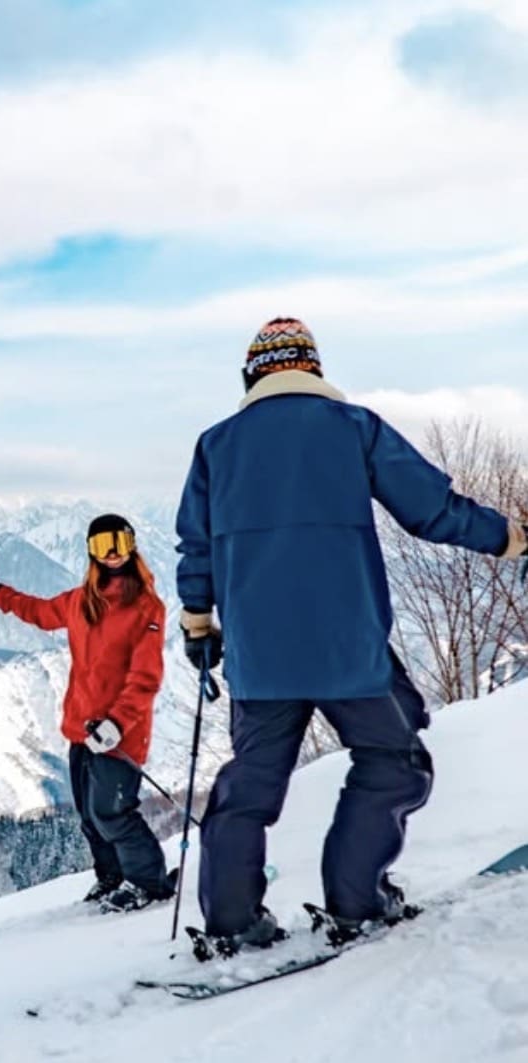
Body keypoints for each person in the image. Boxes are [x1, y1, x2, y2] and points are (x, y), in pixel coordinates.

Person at [175, 316, 528, 954]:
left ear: (253, 374)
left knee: (249, 787)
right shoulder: (353, 428)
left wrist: (198, 622)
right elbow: (432, 509)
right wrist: (506, 537)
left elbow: (196, 547)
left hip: (260, 657)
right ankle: (356, 900)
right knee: (394, 763)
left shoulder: (216, 444)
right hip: (348, 649)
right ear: (311, 369)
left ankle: (232, 922)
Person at [0, 514, 175, 912]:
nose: (113, 553)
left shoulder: (146, 607)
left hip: (121, 734)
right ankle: (112, 877)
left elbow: (146, 676)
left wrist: (117, 723)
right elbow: (38, 612)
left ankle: (149, 884)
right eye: (102, 545)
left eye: (118, 542)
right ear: (91, 553)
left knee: (112, 811)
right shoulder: (81, 601)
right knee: (89, 816)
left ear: (132, 546)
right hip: (81, 729)